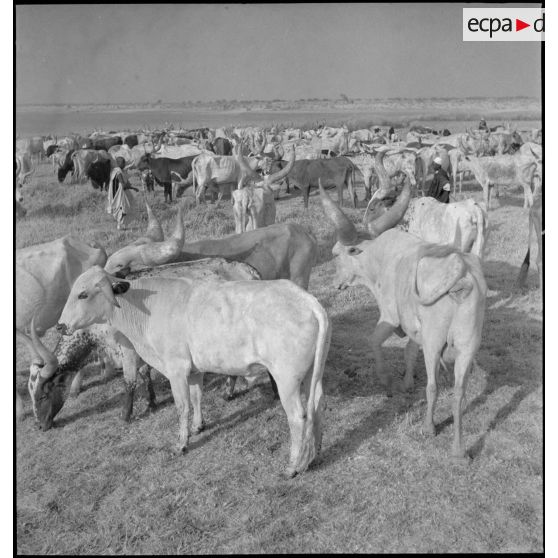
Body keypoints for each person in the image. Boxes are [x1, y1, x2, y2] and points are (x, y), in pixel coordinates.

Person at [107, 157, 139, 230]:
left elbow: (124, 183)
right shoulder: (118, 172)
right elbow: (123, 184)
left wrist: (132, 187)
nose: (124, 164)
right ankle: (120, 225)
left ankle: (121, 225)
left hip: (117, 194)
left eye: (124, 162)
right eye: (122, 162)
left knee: (124, 209)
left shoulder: (116, 171)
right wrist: (132, 188)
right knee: (123, 209)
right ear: (118, 163)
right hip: (118, 195)